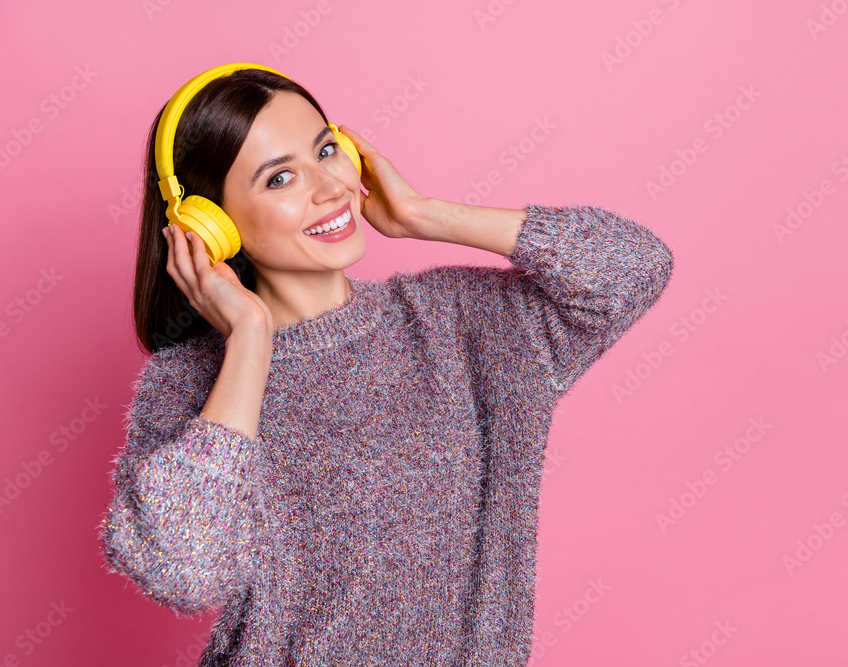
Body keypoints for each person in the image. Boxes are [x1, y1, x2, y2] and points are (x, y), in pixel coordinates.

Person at [98, 67, 675, 666]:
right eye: (281, 177)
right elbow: (184, 571)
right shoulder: (191, 384)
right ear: (209, 226)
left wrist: (426, 216)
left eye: (326, 150)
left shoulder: (458, 323)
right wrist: (248, 341)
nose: (328, 187)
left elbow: (632, 268)